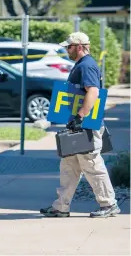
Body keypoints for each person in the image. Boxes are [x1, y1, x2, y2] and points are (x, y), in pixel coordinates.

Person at [40, 32, 120, 218]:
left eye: (69, 47)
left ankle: (109, 204)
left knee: (92, 164)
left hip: (86, 125)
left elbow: (93, 91)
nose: (66, 49)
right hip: (80, 125)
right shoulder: (83, 65)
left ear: (79, 46)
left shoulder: (87, 66)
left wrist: (80, 115)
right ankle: (61, 206)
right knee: (69, 166)